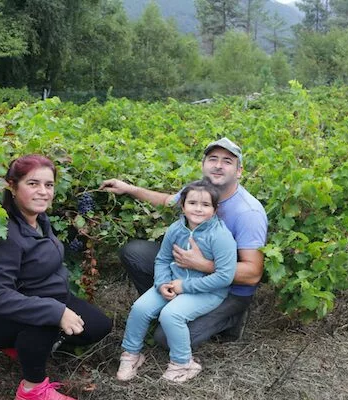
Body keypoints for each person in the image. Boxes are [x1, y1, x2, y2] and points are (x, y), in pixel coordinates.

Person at [0, 154, 112, 400]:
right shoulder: (1, 235)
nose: (43, 192)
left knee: (98, 326)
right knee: (46, 321)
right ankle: (32, 389)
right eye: (33, 184)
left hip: (40, 299)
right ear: (12, 186)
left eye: (48, 185)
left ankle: (23, 345)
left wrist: (59, 305)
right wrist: (55, 311)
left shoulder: (38, 220)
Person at [100, 137, 267, 349]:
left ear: (239, 171)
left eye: (227, 161)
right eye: (213, 159)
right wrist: (128, 188)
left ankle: (229, 320)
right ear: (203, 165)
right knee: (134, 252)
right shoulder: (198, 192)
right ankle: (166, 307)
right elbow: (167, 201)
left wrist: (203, 265)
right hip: (187, 273)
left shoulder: (248, 212)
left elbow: (253, 274)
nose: (218, 165)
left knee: (165, 339)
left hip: (229, 289)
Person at [116, 180, 237, 383]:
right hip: (173, 282)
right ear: (182, 205)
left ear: (215, 210)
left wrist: (185, 286)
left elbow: (224, 276)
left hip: (208, 290)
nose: (198, 209)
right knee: (140, 307)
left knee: (171, 315)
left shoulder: (220, 236)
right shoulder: (176, 229)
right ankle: (131, 354)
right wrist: (161, 283)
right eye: (192, 203)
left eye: (206, 205)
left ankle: (183, 363)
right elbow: (163, 259)